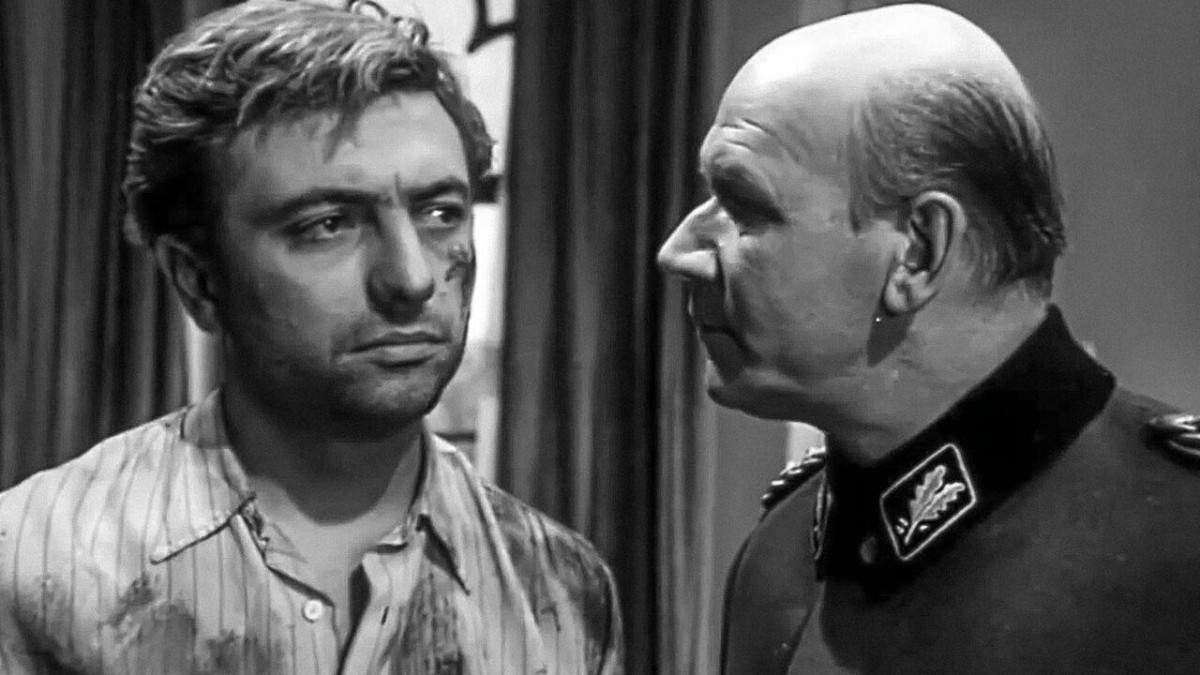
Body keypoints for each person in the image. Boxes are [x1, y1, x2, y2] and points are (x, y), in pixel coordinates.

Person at [0, 2, 623, 673]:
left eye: (441, 213)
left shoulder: (559, 588)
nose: (412, 278)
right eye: (328, 224)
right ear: (198, 280)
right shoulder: (30, 565)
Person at [657, 4, 1200, 674]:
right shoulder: (785, 553)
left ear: (918, 251)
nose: (677, 250)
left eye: (743, 206)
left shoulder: (1179, 545)